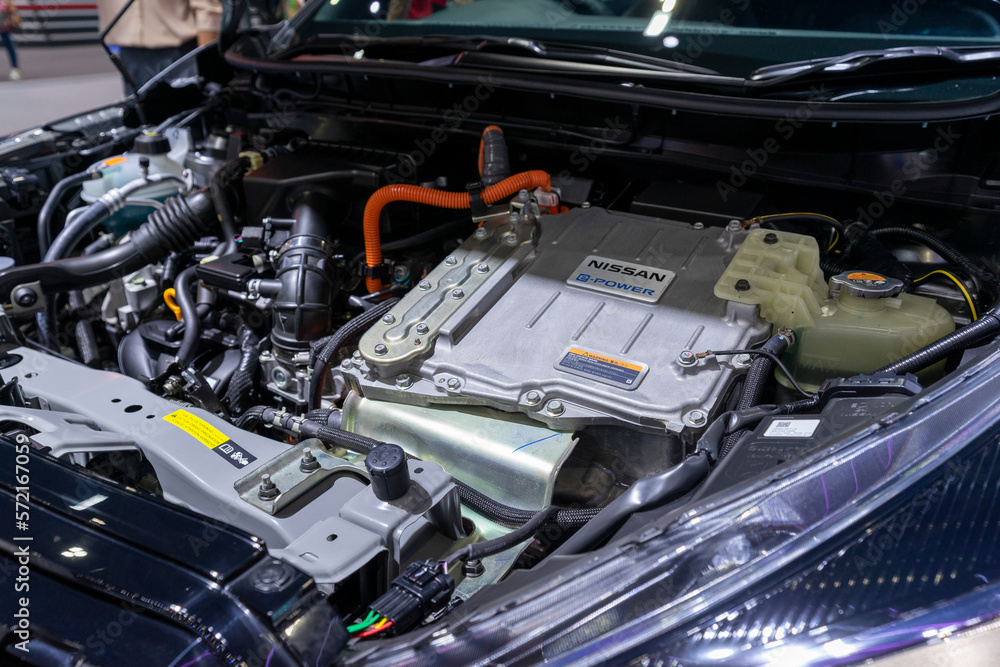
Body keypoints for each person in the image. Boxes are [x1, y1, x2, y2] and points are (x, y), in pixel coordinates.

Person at [98, 0, 222, 90]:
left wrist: (207, 64)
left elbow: (208, 9)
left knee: (184, 119)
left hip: (180, 56)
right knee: (139, 120)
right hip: (129, 57)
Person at [0, 0, 20, 81]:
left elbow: (10, 6)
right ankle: (15, 69)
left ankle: (14, 68)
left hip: (3, 23)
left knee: (10, 45)